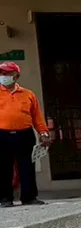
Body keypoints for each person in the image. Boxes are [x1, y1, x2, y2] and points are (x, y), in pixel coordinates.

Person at [0, 62, 52, 207]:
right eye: (2, 73)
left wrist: (44, 133)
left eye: (7, 73)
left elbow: (37, 117)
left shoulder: (28, 94)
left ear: (16, 76)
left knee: (27, 166)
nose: (3, 76)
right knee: (3, 167)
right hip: (2, 135)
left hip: (24, 134)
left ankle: (29, 197)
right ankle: (4, 199)